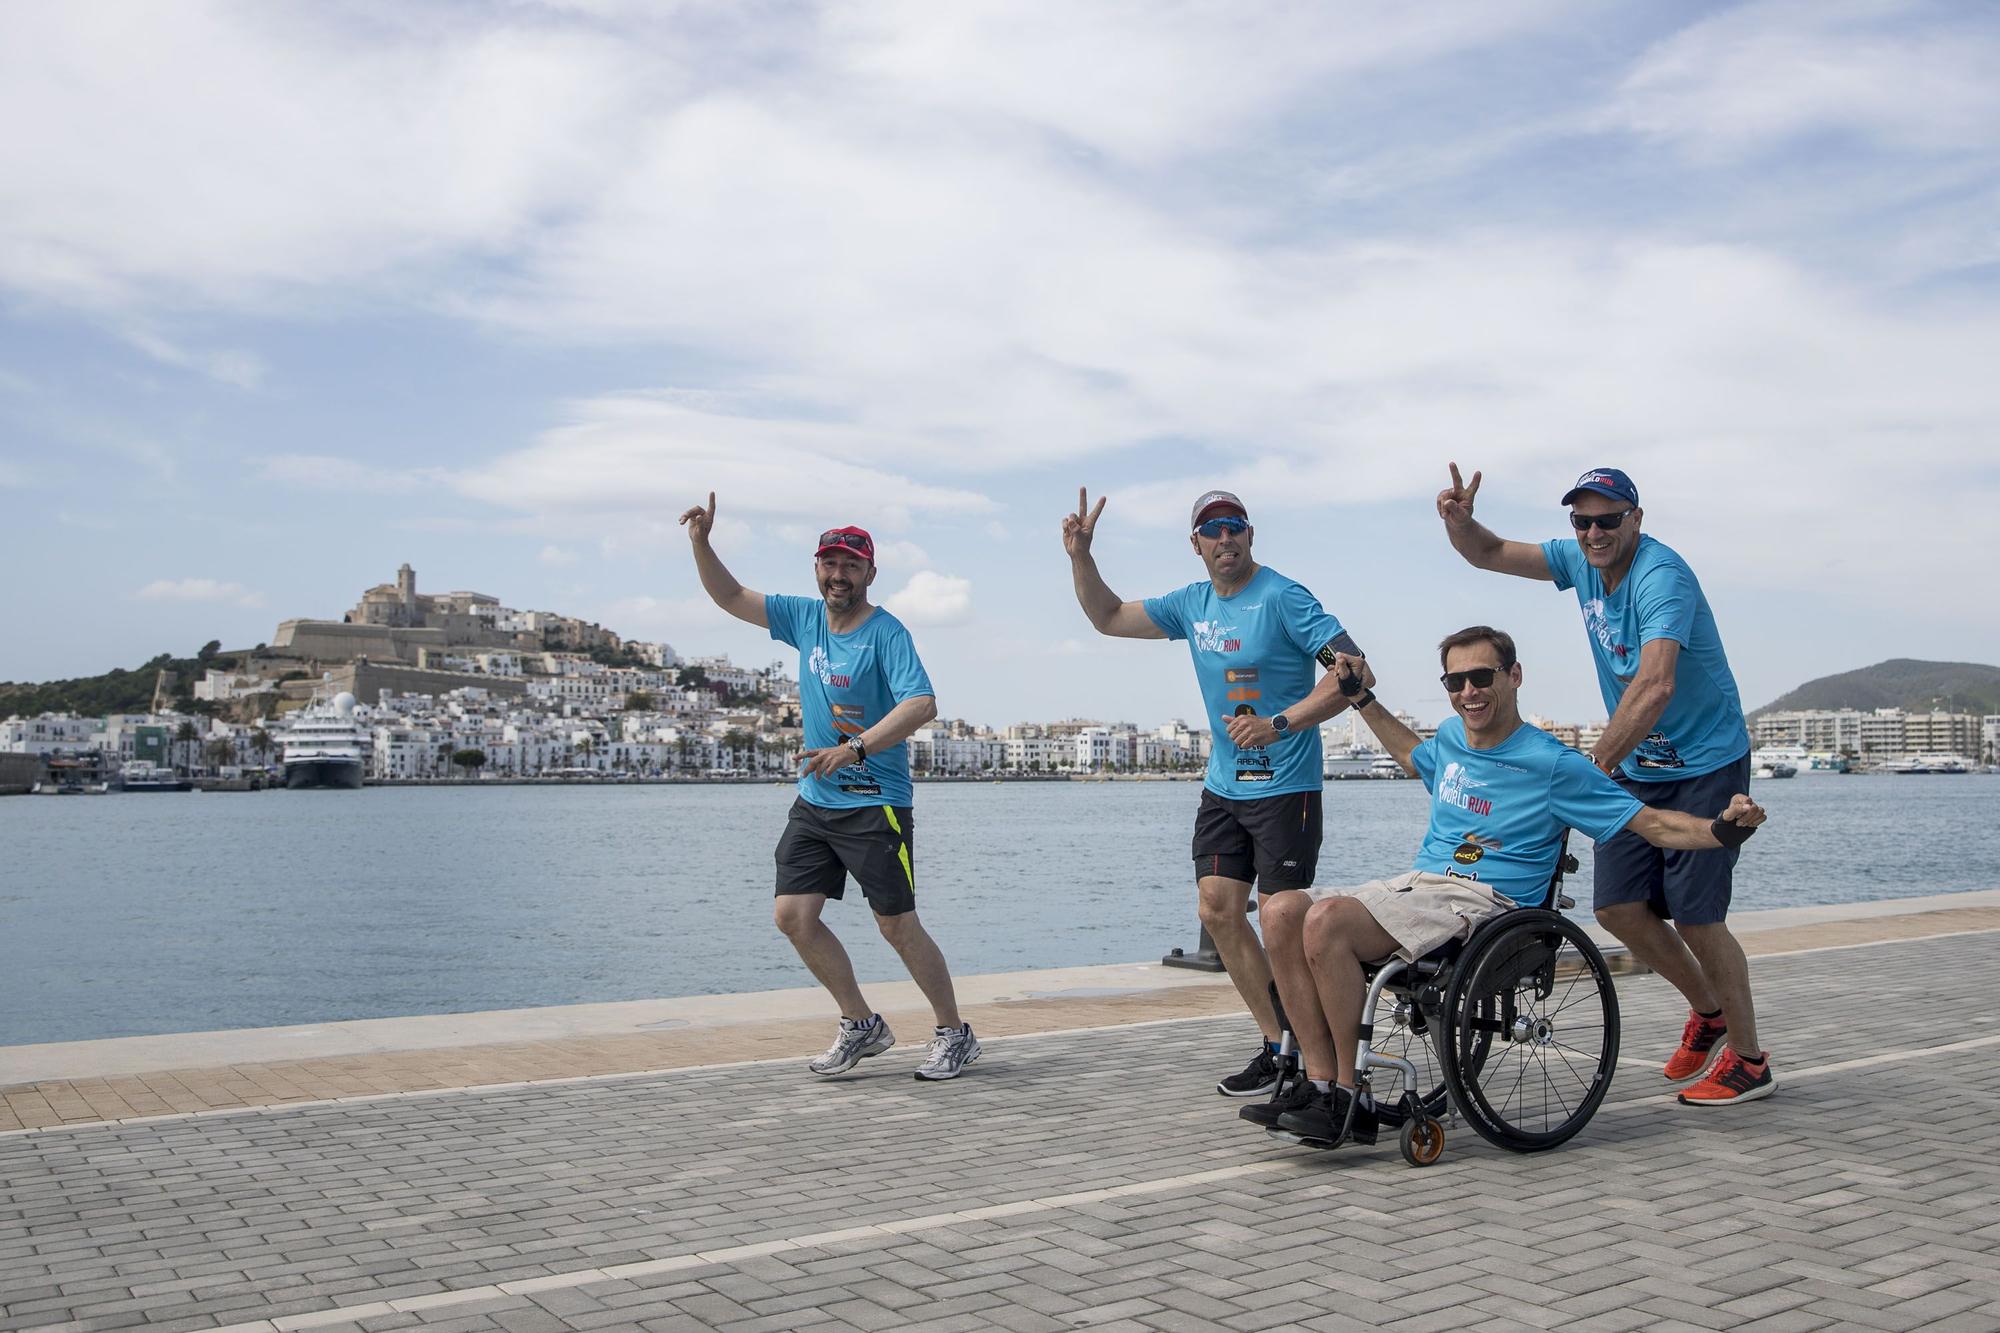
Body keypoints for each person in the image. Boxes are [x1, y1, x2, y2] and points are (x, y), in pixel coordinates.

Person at [1251, 626, 1768, 1145]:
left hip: (1488, 904)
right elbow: (1413, 756)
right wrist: (1362, 698)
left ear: (1514, 676)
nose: (1468, 692)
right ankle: (1318, 1083)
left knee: (1325, 921)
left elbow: (1649, 823)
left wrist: (1719, 829)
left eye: (1481, 677)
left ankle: (1349, 1095)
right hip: (1422, 885)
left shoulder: (1553, 764)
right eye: (1455, 682)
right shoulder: (1451, 739)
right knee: (1279, 911)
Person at [1435, 464, 1772, 1106]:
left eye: (1607, 520)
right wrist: (1459, 521)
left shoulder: (1660, 577)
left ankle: (1750, 1060)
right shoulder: (1580, 561)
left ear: (1635, 520)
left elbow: (1655, 685)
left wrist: (1587, 771)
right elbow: (1487, 552)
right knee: (1617, 907)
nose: (1593, 532)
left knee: (1700, 918)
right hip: (1638, 766)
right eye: (1581, 521)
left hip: (1704, 762)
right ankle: (1709, 1012)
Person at [1063, 486, 1366, 1098]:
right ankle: (1276, 1042)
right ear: (1195, 544)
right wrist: (1081, 557)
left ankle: (1322, 1062)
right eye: (1211, 529)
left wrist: (1279, 724)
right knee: (1217, 911)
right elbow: (1108, 617)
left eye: (1234, 527)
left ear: (1251, 536)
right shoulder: (1191, 605)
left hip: (1287, 787)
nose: (1224, 538)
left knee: (1282, 925)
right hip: (1224, 786)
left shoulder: (1284, 597)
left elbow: (1354, 672)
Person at [679, 493, 979, 1081]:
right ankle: (861, 1023)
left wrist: (856, 747)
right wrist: (701, 543)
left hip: (876, 802)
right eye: (830, 563)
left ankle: (953, 1032)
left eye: (851, 565)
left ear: (870, 573)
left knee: (896, 924)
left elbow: (923, 703)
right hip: (816, 798)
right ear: (817, 568)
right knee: (793, 915)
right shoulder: (803, 617)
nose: (838, 574)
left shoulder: (885, 633)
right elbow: (732, 597)